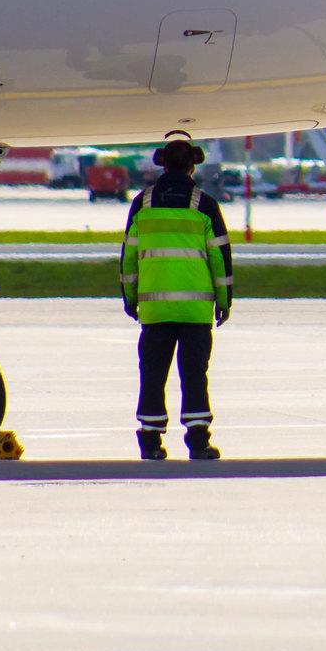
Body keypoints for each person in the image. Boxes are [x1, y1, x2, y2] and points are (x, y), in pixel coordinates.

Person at [121, 133, 234, 460]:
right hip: (196, 310)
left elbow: (129, 258)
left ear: (163, 166)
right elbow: (219, 259)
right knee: (194, 375)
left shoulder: (142, 203)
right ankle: (198, 442)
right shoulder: (205, 205)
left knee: (153, 375)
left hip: (154, 310)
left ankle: (151, 440)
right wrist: (224, 302)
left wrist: (130, 298)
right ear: (192, 168)